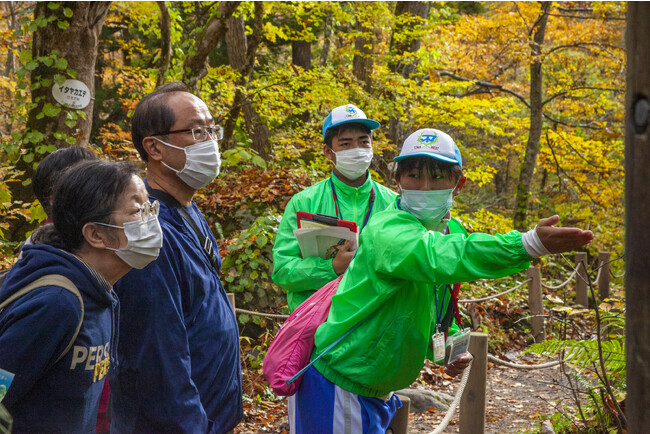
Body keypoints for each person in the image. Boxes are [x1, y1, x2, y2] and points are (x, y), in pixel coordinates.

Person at [290, 128, 594, 432]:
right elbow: (436, 256)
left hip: (374, 389)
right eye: (413, 175)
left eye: (437, 176)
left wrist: (448, 345)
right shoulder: (387, 229)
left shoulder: (451, 232)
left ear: (458, 184)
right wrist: (527, 244)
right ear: (397, 180)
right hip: (340, 385)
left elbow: (434, 304)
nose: (423, 186)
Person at [109, 82, 242, 433]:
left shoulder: (187, 208)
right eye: (197, 130)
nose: (211, 141)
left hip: (211, 415)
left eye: (213, 129)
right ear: (154, 147)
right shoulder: (148, 234)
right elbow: (156, 357)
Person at [0, 159, 163, 433]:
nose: (152, 220)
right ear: (96, 234)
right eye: (138, 210)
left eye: (151, 207)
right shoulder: (57, 304)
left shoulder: (101, 290)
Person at [272, 104, 398, 311]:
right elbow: (283, 271)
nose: (356, 150)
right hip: (319, 324)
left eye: (363, 142)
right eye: (346, 144)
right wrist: (331, 267)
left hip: (378, 318)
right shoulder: (304, 203)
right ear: (328, 152)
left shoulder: (393, 204)